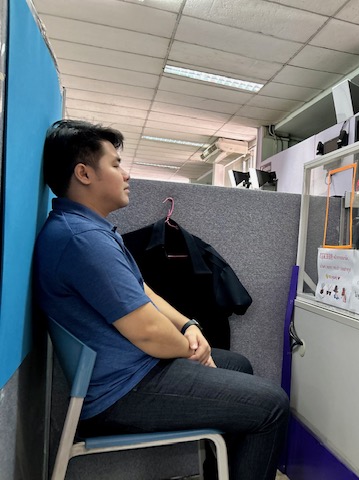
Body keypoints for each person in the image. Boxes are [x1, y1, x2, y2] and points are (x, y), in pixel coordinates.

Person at [34, 120, 289, 480]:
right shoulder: (82, 239)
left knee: (239, 365)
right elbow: (149, 333)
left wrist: (188, 325)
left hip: (130, 372)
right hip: (122, 392)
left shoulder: (90, 229)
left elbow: (143, 290)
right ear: (84, 174)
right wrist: (193, 352)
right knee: (272, 404)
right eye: (115, 164)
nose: (126, 175)